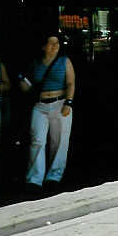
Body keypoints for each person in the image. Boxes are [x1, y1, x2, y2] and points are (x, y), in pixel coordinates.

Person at [19, 33, 75, 195]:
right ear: (43, 46)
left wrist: (68, 102)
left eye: (56, 43)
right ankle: (34, 179)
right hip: (40, 105)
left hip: (60, 103)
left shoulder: (65, 61)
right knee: (37, 140)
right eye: (51, 44)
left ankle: (54, 177)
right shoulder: (36, 64)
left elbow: (71, 83)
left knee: (60, 142)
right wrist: (21, 81)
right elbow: (27, 88)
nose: (55, 46)